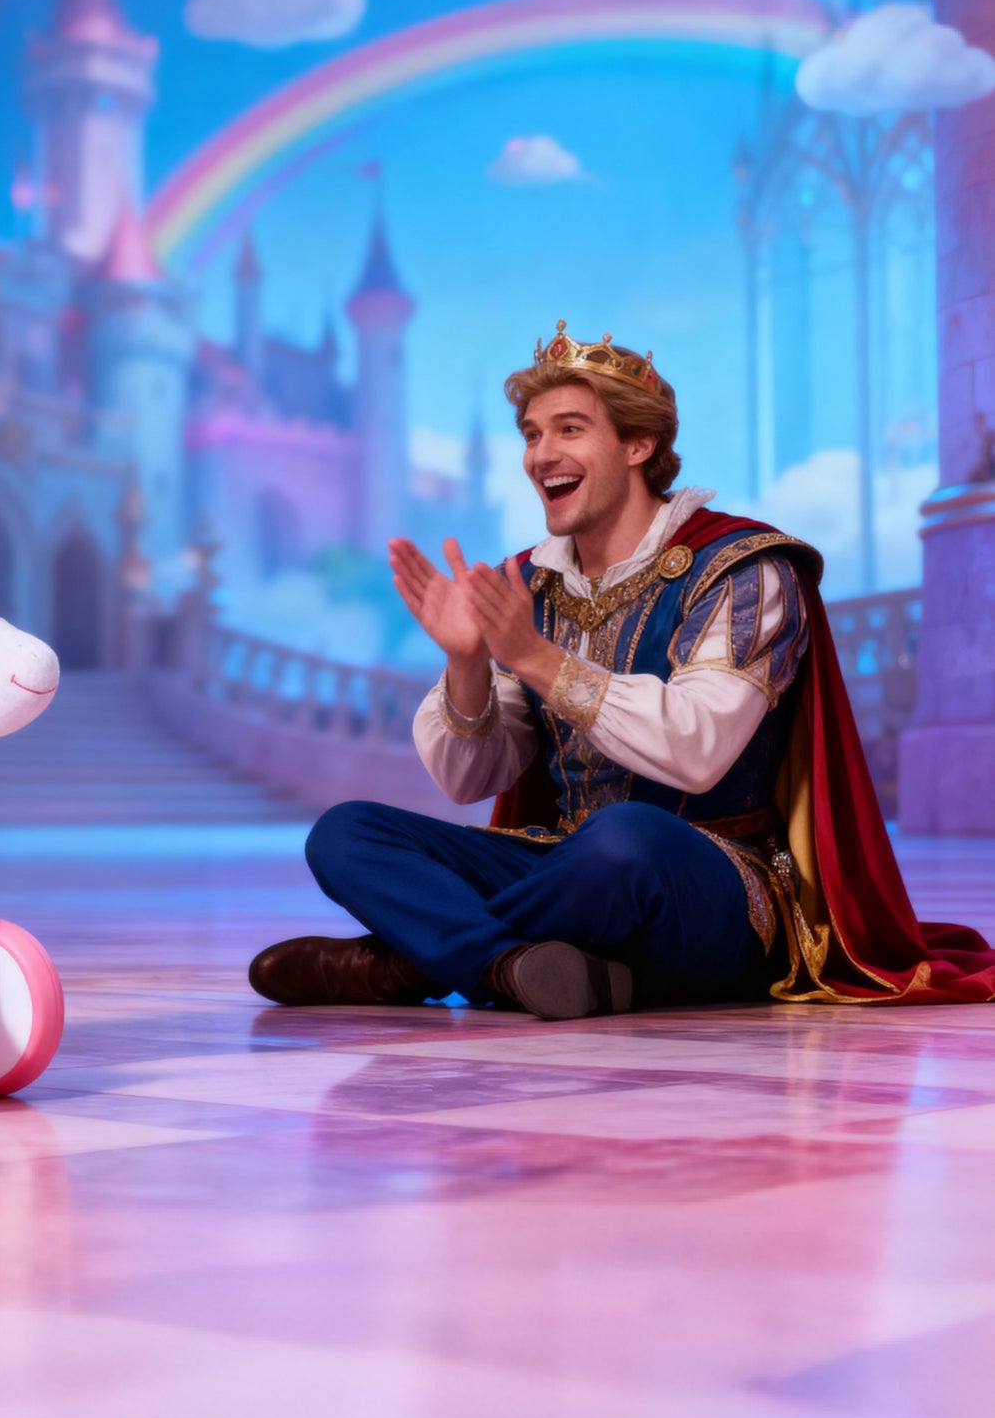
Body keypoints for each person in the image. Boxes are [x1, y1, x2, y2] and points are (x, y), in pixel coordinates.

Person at [250, 321, 995, 1018]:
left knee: (623, 839)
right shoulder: (530, 585)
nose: (541, 455)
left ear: (639, 445)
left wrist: (538, 659)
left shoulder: (740, 569)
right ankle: (517, 968)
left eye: (569, 430)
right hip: (567, 869)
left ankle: (408, 967)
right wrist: (468, 661)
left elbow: (696, 752)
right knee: (346, 834)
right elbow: (469, 780)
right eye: (533, 434)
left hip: (712, 885)